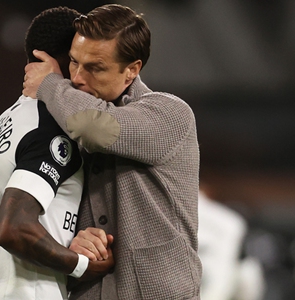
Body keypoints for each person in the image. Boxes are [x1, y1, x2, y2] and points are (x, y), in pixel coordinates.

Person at [22, 4, 202, 299]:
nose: (78, 77)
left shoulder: (170, 114)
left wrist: (50, 84)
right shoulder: (65, 118)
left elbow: (99, 128)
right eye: (74, 62)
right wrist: (73, 244)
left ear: (132, 70)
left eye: (95, 68)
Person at [0, 7, 114, 300]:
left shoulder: (12, 117)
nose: (83, 77)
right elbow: (12, 227)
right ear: (55, 62)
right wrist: (81, 265)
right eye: (78, 63)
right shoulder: (51, 127)